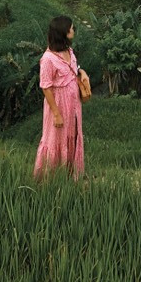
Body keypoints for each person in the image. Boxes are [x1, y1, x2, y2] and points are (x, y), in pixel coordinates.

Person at [33, 15, 88, 179]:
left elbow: (74, 68)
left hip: (73, 104)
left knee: (73, 135)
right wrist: (56, 113)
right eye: (71, 28)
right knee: (55, 139)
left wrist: (82, 73)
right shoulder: (48, 59)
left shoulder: (69, 51)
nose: (73, 30)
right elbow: (46, 87)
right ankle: (48, 178)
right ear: (63, 33)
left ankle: (71, 175)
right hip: (58, 105)